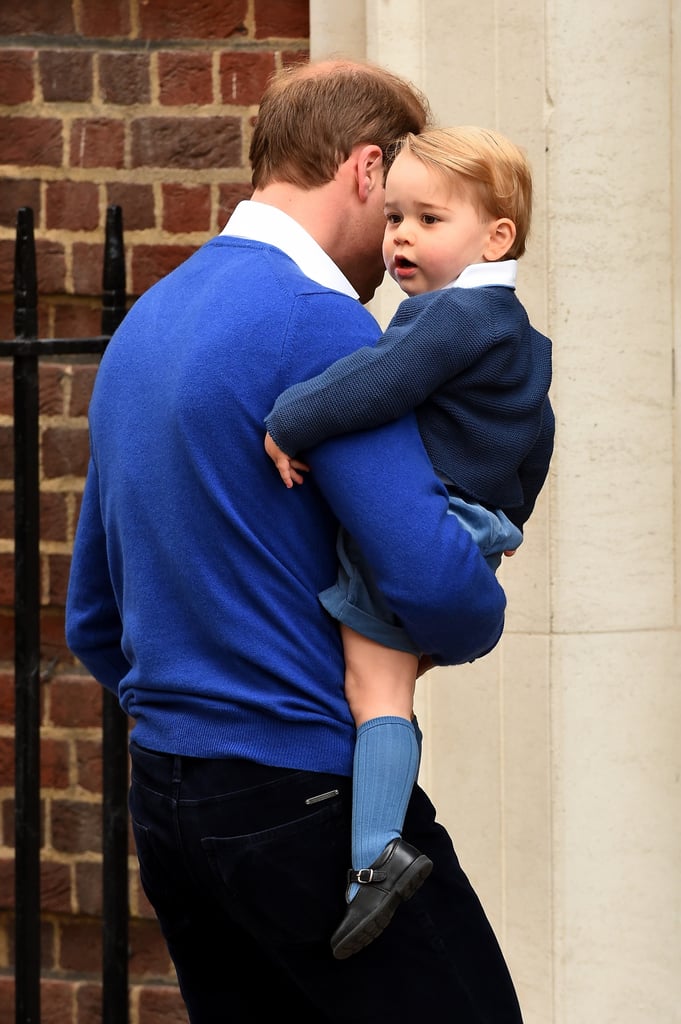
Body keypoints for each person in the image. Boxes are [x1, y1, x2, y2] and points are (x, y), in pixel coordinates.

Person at [66, 61, 524, 1023]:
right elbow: (435, 587)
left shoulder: (148, 319)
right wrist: (480, 602)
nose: (402, 236)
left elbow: (94, 620)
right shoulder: (324, 331)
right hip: (307, 801)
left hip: (170, 801)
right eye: (398, 203)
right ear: (365, 170)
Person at [265, 125, 554, 957]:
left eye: (428, 219)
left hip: (438, 520)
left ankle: (371, 858)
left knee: (373, 687)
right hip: (478, 523)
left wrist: (289, 422)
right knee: (391, 682)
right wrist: (508, 526)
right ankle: (376, 846)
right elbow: (537, 438)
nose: (398, 237)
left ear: (495, 236)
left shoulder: (450, 318)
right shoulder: (518, 334)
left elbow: (374, 382)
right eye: (393, 216)